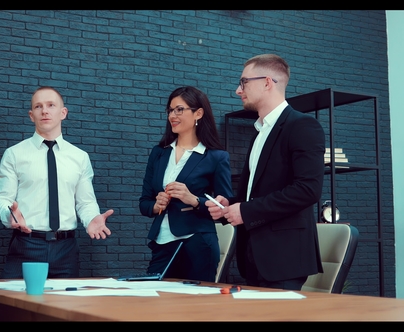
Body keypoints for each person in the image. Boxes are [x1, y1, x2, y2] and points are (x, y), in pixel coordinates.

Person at [206, 54, 325, 290]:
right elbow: (257, 192)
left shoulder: (302, 125)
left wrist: (246, 211)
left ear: (267, 82)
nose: (238, 90)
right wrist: (229, 204)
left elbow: (308, 190)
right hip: (253, 255)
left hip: (284, 258)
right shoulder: (260, 132)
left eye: (243, 82)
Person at [0, 86, 113, 278]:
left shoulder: (80, 157)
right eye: (38, 107)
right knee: (17, 305)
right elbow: (2, 199)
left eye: (51, 105)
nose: (45, 111)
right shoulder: (14, 154)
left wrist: (91, 218)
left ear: (63, 113)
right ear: (31, 115)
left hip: (66, 249)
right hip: (26, 245)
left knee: (63, 306)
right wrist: (10, 216)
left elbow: (85, 202)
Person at [139, 86, 232, 282]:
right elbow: (144, 203)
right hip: (162, 241)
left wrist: (194, 200)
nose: (172, 115)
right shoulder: (159, 153)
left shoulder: (216, 157)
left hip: (198, 243)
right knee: (157, 303)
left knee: (197, 307)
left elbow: (225, 208)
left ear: (198, 113)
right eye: (170, 110)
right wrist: (156, 206)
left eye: (179, 109)